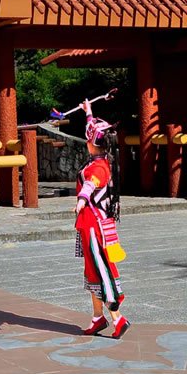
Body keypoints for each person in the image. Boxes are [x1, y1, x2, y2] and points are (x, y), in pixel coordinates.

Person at [74, 98, 129, 339]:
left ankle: (117, 318)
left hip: (93, 225)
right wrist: (89, 112)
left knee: (100, 268)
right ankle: (98, 318)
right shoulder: (101, 160)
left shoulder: (99, 168)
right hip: (90, 223)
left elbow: (91, 184)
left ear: (93, 144)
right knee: (91, 270)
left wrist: (82, 199)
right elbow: (92, 128)